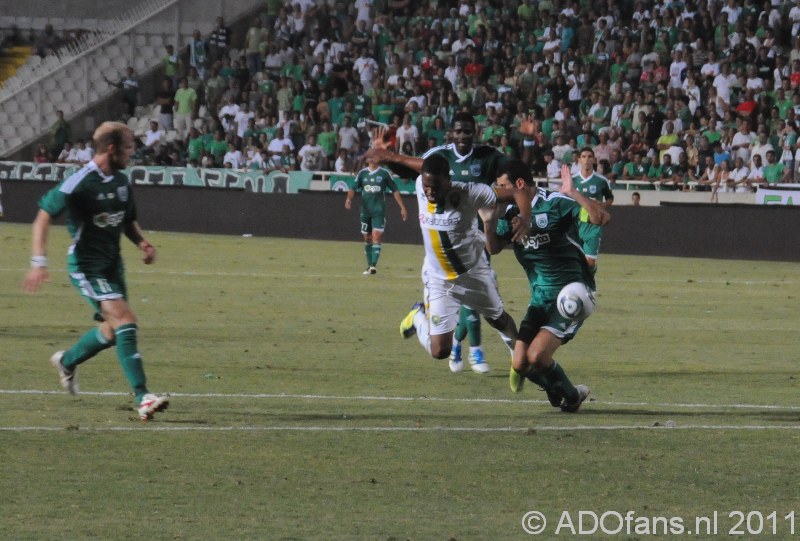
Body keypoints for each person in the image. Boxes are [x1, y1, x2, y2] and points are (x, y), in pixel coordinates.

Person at [22, 122, 170, 422]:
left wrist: (142, 242)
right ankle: (143, 397)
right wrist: (39, 262)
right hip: (87, 267)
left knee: (114, 330)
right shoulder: (80, 181)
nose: (132, 153)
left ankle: (67, 361)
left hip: (113, 265)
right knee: (126, 320)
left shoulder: (121, 182)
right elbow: (43, 216)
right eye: (129, 147)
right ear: (112, 149)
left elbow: (126, 220)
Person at [366, 111, 523, 374]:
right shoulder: (435, 161)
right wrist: (389, 157)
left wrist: (519, 214)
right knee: (452, 333)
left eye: (467, 131)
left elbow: (515, 179)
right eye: (458, 131)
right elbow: (411, 170)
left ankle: (503, 357)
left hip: (475, 241)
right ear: (450, 133)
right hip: (441, 259)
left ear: (475, 131)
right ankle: (464, 349)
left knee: (491, 313)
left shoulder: (487, 159)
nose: (463, 136)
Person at [484, 161, 610, 412]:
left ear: (519, 185)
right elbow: (494, 248)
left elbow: (600, 217)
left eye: (502, 187)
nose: (498, 192)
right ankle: (563, 391)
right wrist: (488, 222)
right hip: (540, 297)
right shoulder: (509, 213)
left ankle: (570, 398)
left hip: (572, 294)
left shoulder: (556, 204)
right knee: (520, 364)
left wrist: (573, 193)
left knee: (537, 357)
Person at [398, 153, 531, 368]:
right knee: (440, 350)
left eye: (435, 186)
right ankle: (417, 317)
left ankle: (519, 361)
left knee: (499, 320)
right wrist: (384, 155)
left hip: (473, 272)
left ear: (448, 180)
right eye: (426, 186)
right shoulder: (421, 185)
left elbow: (518, 193)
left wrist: (525, 217)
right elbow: (406, 165)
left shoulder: (470, 192)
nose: (429, 191)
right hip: (439, 279)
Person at [344, 157, 408, 275]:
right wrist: (348, 199)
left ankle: (373, 266)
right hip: (365, 211)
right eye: (371, 157)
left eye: (375, 157)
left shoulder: (384, 173)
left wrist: (402, 207)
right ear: (367, 160)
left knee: (376, 236)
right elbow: (353, 188)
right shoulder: (362, 173)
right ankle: (369, 266)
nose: (373, 159)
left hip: (379, 211)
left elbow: (395, 190)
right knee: (367, 238)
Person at [572, 147, 613, 270]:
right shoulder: (572, 180)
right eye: (583, 156)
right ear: (579, 159)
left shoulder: (601, 181)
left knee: (589, 263)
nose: (586, 159)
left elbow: (610, 199)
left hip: (592, 225)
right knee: (574, 260)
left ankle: (589, 284)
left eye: (590, 157)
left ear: (594, 160)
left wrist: (601, 207)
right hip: (575, 224)